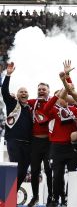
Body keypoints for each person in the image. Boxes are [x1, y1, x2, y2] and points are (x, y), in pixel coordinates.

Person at [42, 72, 77, 207]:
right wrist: (57, 94)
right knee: (57, 175)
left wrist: (67, 78)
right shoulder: (53, 110)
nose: (62, 98)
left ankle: (69, 199)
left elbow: (71, 88)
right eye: (60, 96)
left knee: (73, 174)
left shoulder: (75, 110)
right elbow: (45, 108)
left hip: (72, 147)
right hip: (56, 147)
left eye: (65, 96)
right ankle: (57, 198)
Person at [1, 62, 33, 192]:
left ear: (28, 95)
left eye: (26, 92)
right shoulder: (12, 103)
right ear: (17, 94)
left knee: (23, 172)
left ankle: (11, 194)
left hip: (28, 144)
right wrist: (8, 75)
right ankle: (7, 195)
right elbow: (4, 91)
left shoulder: (32, 108)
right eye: (21, 92)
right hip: (14, 141)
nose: (24, 93)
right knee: (17, 169)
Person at [27, 80, 53, 206]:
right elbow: (21, 101)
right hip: (35, 142)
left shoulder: (53, 103)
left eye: (44, 89)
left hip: (48, 142)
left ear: (49, 91)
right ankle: (35, 196)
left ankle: (51, 197)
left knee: (49, 170)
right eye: (39, 89)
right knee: (34, 171)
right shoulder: (33, 102)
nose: (41, 91)